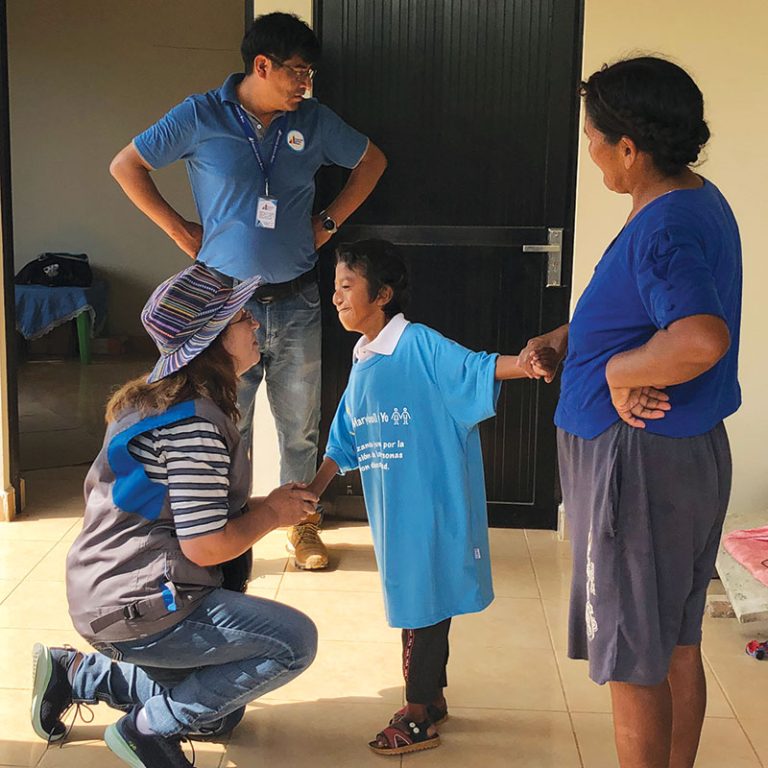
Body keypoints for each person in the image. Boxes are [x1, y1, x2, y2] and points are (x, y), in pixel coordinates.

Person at [518, 57, 742, 768]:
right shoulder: (693, 199)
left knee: (631, 658)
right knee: (672, 641)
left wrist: (613, 371)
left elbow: (700, 336)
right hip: (684, 454)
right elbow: (653, 311)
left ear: (627, 147)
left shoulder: (663, 227)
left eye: (593, 138)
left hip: (637, 464)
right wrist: (572, 340)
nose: (591, 154)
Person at [109, 12, 387, 571]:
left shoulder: (313, 120)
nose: (304, 84)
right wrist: (180, 230)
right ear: (263, 65)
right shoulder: (199, 115)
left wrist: (328, 222)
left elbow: (372, 161)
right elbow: (127, 165)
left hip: (297, 299)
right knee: (219, 424)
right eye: (297, 72)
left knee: (299, 423)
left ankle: (304, 527)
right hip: (221, 310)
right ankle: (224, 534)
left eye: (308, 73)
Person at [30, 263, 319, 768]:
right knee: (292, 643)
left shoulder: (156, 402)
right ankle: (146, 731)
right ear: (214, 341)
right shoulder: (196, 425)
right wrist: (272, 514)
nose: (255, 323)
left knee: (218, 713)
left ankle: (75, 674)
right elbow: (204, 545)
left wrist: (270, 506)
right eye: (241, 317)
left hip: (110, 593)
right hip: (141, 604)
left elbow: (183, 514)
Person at [307, 240, 556, 755]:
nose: (336, 298)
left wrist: (528, 363)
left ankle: (417, 713)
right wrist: (312, 491)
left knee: (421, 604)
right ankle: (431, 698)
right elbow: (345, 436)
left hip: (431, 506)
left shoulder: (418, 344)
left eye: (346, 286)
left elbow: (476, 368)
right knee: (419, 601)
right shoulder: (365, 358)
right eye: (335, 288)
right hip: (394, 512)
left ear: (383, 295)